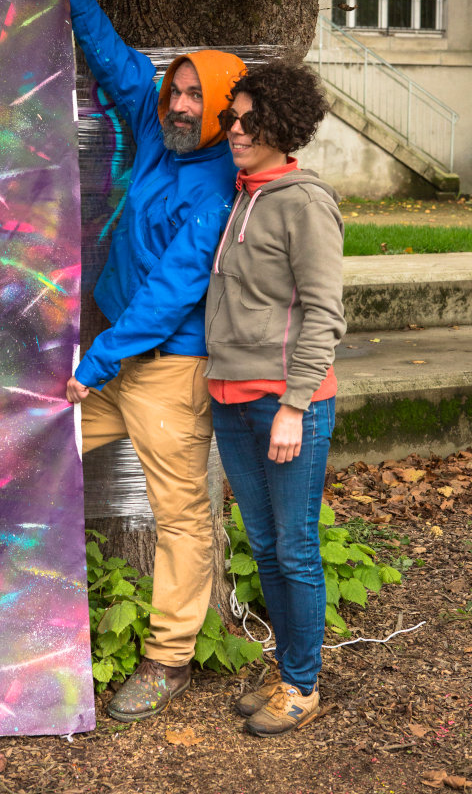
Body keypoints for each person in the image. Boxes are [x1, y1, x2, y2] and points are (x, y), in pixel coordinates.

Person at [60, 0, 247, 722]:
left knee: (179, 515)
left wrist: (96, 363)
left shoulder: (213, 186)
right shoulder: (154, 125)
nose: (177, 103)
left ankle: (167, 657)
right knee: (39, 443)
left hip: (170, 368)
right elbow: (110, 58)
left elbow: (173, 292)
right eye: (175, 88)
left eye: (194, 97)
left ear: (223, 110)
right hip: (110, 352)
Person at [204, 62, 346, 736]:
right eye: (231, 116)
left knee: (293, 547)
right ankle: (289, 666)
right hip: (230, 399)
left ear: (282, 126)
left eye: (248, 118)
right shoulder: (243, 192)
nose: (234, 128)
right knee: (261, 543)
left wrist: (293, 405)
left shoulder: (304, 201)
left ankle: (304, 684)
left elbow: (324, 314)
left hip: (288, 405)